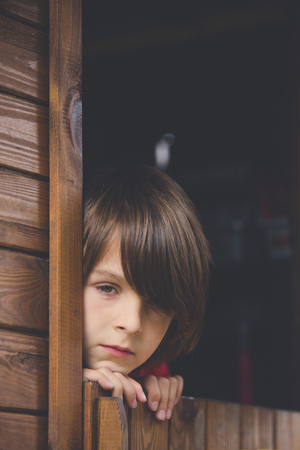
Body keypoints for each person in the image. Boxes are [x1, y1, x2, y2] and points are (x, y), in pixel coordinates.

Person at [82, 166, 210, 421]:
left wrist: (150, 388)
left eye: (158, 303)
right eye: (107, 288)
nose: (132, 324)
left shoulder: (151, 371)